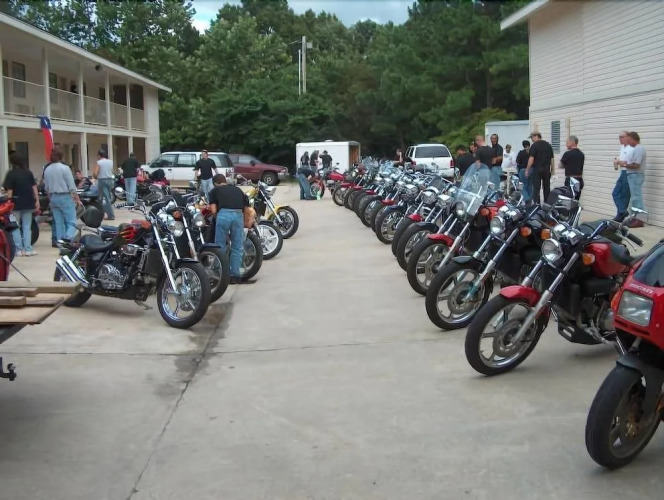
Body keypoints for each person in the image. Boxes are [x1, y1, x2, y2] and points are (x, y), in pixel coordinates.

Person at [208, 174, 252, 284]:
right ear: (225, 181)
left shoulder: (214, 190)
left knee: (220, 246)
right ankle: (235, 276)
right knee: (237, 246)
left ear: (215, 183)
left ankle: (220, 274)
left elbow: (213, 210)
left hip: (223, 215)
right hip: (238, 215)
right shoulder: (238, 190)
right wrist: (245, 222)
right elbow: (246, 209)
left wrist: (217, 219)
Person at [3, 153, 39, 256]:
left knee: (15, 226)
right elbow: (34, 188)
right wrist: (37, 201)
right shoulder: (28, 173)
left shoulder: (11, 173)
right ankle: (28, 249)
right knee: (27, 226)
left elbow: (9, 190)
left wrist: (8, 202)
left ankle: (18, 249)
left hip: (15, 204)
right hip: (28, 202)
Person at [44, 146, 80, 242]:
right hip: (65, 196)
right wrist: (77, 198)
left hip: (53, 197)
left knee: (59, 223)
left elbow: (47, 188)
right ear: (61, 156)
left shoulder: (47, 169)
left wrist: (50, 199)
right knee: (72, 221)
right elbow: (71, 186)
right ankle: (68, 238)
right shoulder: (65, 168)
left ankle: (60, 243)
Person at [622, 131, 646, 227]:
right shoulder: (637, 149)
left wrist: (624, 164)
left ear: (633, 139)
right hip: (633, 175)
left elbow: (636, 165)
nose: (628, 143)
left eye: (629, 141)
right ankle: (635, 217)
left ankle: (639, 220)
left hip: (636, 175)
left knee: (636, 198)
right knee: (634, 198)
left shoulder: (639, 148)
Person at [526, 132, 554, 204]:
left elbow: (531, 158)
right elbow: (552, 159)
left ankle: (536, 204)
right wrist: (553, 170)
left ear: (536, 136)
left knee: (536, 188)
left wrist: (527, 169)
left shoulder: (534, 145)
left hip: (537, 169)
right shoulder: (548, 145)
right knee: (547, 187)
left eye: (532, 137)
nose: (531, 139)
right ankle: (547, 203)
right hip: (546, 169)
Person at [612, 131, 634, 222]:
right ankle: (622, 212)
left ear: (628, 137)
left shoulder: (631, 148)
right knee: (616, 193)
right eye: (619, 137)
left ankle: (621, 214)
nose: (620, 139)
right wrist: (617, 162)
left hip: (628, 172)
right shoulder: (622, 148)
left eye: (622, 137)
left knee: (624, 194)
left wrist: (620, 162)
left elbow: (632, 163)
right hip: (623, 172)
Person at [558, 136, 584, 200]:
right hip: (579, 179)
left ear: (572, 142)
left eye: (567, 142)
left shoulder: (567, 154)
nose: (566, 144)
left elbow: (560, 165)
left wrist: (567, 165)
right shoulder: (581, 154)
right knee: (576, 198)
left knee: (569, 198)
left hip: (571, 180)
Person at [94, 149, 115, 220]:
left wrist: (95, 177)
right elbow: (111, 171)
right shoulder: (110, 162)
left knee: (103, 198)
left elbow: (95, 173)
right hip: (110, 180)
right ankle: (102, 213)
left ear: (99, 155)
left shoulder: (99, 162)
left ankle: (110, 215)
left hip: (102, 180)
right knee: (107, 197)